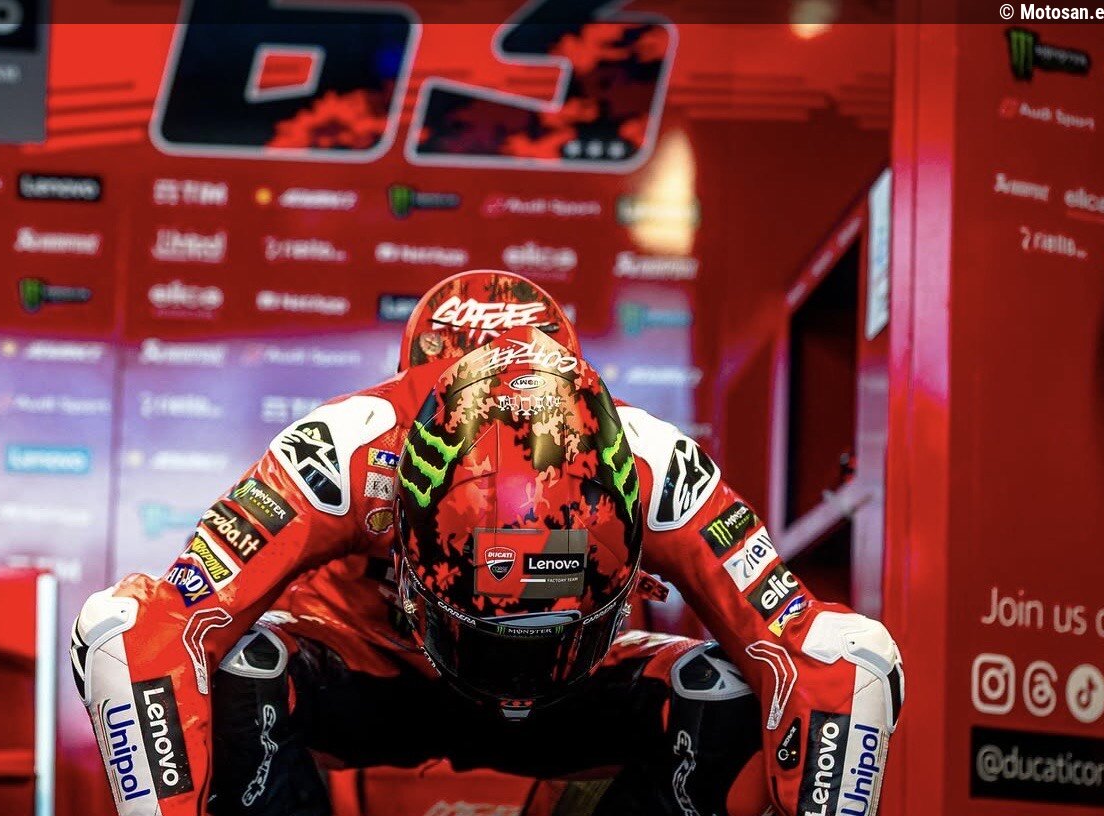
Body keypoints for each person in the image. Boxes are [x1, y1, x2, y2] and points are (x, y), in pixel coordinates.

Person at [71, 270, 903, 816]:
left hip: (572, 696)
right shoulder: (343, 451)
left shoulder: (655, 465)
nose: (512, 678)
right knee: (237, 669)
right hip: (375, 681)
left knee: (720, 690)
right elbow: (139, 631)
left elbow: (837, 659)